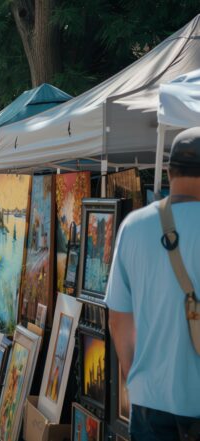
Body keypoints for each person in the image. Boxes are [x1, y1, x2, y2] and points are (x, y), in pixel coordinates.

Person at [106, 127, 200, 440]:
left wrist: (136, 379)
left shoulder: (133, 226)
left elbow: (118, 320)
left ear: (170, 172)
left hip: (149, 399)